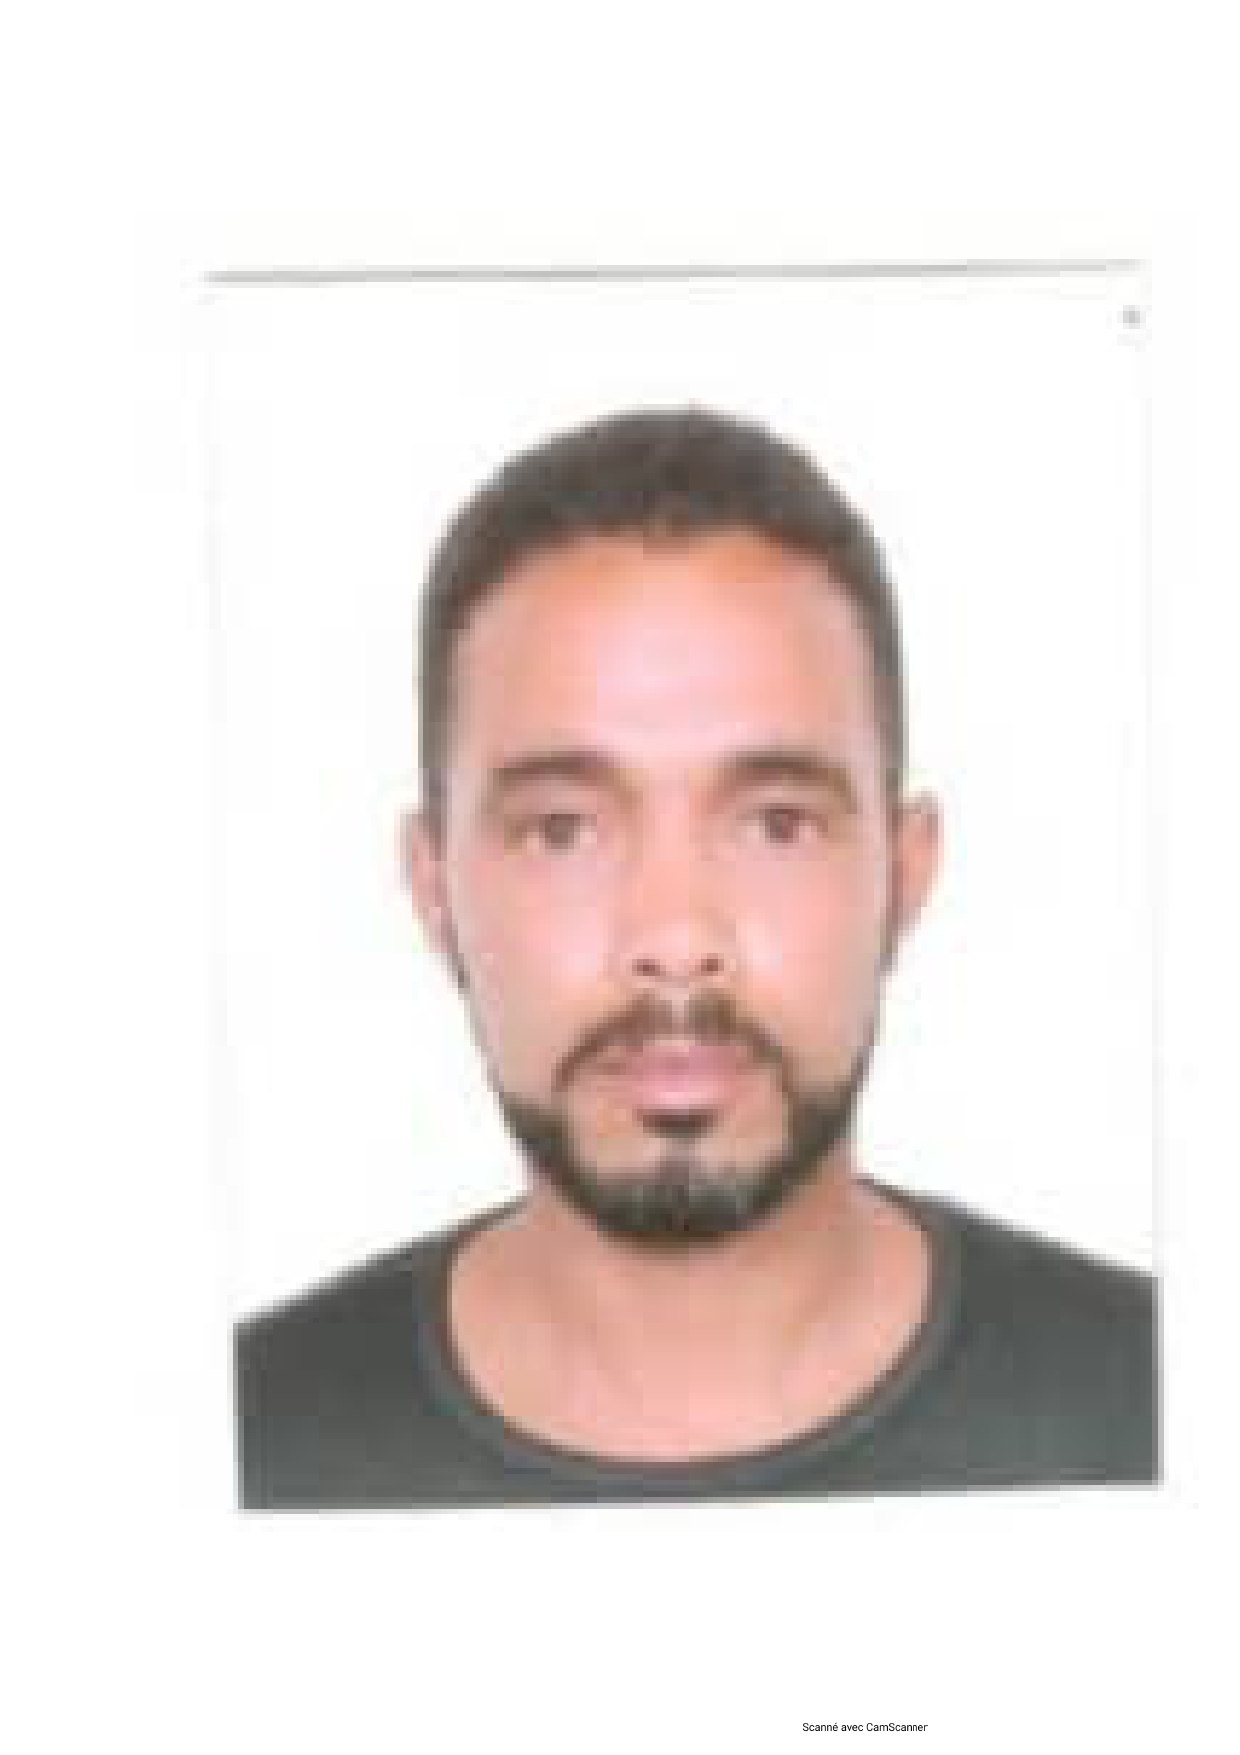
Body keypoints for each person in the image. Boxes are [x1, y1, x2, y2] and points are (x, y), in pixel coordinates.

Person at [235, 406, 1157, 1509]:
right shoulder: (233, 1450)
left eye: (776, 823)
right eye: (562, 830)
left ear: (905, 871)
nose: (675, 939)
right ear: (433, 887)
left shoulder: (1160, 1404)